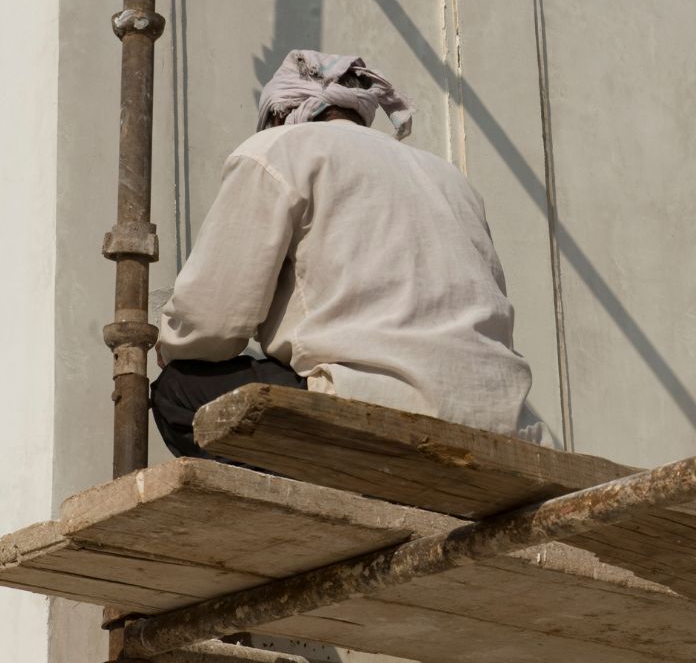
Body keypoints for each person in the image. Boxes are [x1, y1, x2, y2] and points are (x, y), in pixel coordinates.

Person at [151, 50, 537, 460]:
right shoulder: (449, 178)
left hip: (373, 411)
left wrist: (171, 344)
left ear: (280, 115)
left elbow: (210, 321)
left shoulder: (277, 150)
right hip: (501, 421)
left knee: (179, 393)